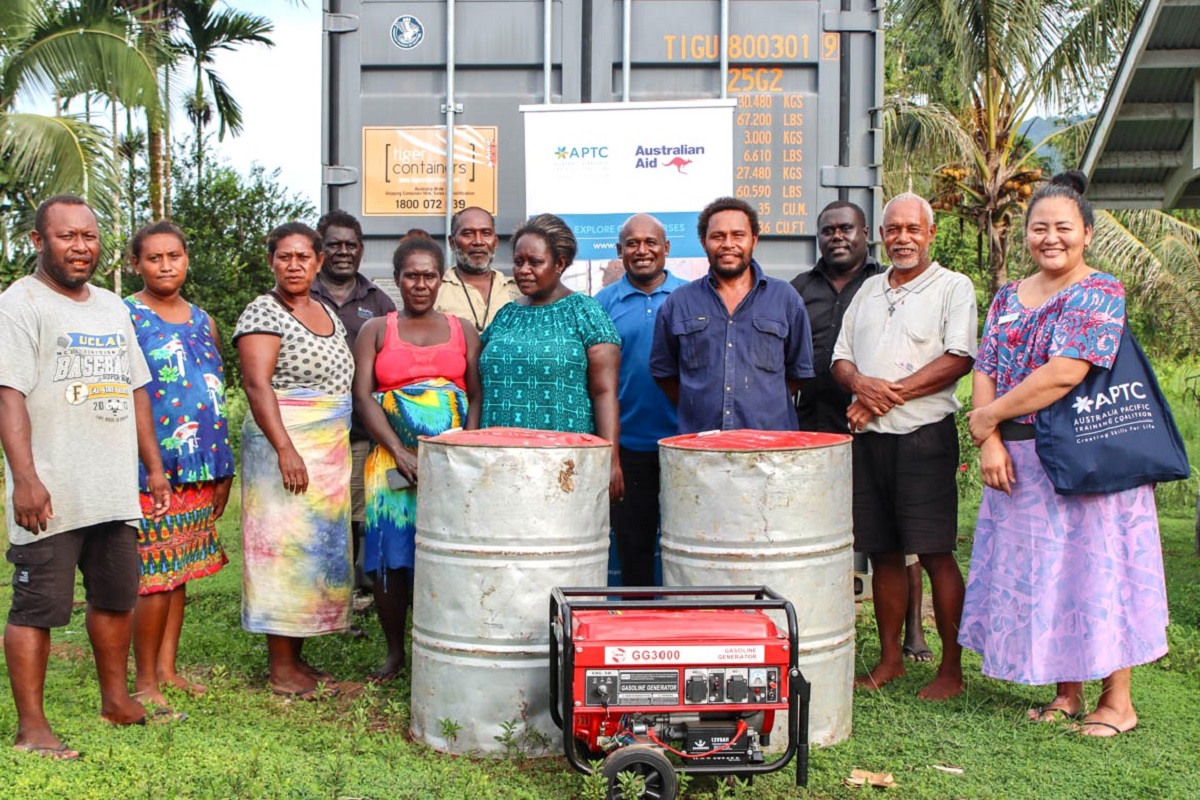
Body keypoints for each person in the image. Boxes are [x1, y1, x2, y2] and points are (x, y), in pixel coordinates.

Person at [959, 171, 1168, 736]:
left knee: (1098, 573)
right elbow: (986, 367)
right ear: (1025, 233)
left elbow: (1066, 372)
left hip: (1088, 458)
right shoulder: (1008, 294)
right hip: (1021, 460)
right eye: (1039, 228)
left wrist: (987, 418)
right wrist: (991, 440)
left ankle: (1118, 702)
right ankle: (1067, 691)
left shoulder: (1100, 291)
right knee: (1052, 576)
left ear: (1087, 234)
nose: (1051, 238)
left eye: (1064, 228)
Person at [0, 195, 172, 760]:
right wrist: (25, 479)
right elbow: (9, 396)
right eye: (67, 236)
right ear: (38, 241)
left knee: (115, 598)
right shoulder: (19, 304)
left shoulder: (110, 306)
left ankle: (115, 699)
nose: (81, 248)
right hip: (51, 489)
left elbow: (136, 388)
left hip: (111, 487)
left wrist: (152, 467)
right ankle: (32, 728)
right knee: (38, 608)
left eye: (90, 237)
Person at [831, 192, 977, 701]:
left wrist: (883, 398)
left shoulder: (953, 288)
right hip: (871, 443)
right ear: (882, 236)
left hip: (924, 440)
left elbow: (959, 358)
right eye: (893, 229)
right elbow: (841, 360)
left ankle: (951, 670)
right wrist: (862, 390)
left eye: (913, 229)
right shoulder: (869, 290)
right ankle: (891, 659)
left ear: (930, 234)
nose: (902, 238)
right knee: (883, 553)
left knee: (935, 553)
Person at [791, 202, 931, 663]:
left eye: (846, 228)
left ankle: (913, 633)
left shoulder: (884, 284)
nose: (837, 237)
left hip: (879, 421)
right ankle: (821, 620)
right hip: (816, 425)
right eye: (827, 229)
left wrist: (875, 400)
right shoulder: (799, 289)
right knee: (821, 531)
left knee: (894, 536)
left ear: (865, 233)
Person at [352, 236, 482, 682]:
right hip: (391, 465)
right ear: (398, 278)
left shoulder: (462, 329)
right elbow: (363, 396)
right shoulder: (376, 330)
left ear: (440, 278)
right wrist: (399, 450)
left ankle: (445, 646)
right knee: (392, 556)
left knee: (448, 553)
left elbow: (477, 396)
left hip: (452, 466)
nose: (420, 284)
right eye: (412, 275)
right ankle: (395, 652)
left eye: (429, 275)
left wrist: (461, 448)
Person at [234, 221, 355, 698]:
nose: (294, 265)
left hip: (325, 454)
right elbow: (257, 385)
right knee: (281, 553)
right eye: (284, 256)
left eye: (303, 257)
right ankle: (281, 668)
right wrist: (286, 447)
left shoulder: (324, 310)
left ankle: (298, 658)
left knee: (312, 553)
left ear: (319, 262)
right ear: (271, 262)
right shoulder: (263, 311)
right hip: (284, 450)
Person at [125, 221, 235, 710]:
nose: (166, 265)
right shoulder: (126, 315)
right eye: (154, 258)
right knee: (153, 576)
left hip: (200, 466)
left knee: (180, 568)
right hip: (154, 468)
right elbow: (131, 396)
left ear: (186, 258)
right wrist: (152, 466)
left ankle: (168, 669)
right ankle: (144, 680)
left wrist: (223, 468)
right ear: (136, 264)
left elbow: (213, 390)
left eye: (174, 256)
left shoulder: (203, 319)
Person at [477, 213, 624, 499]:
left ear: (559, 264)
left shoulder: (586, 312)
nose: (524, 270)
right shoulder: (506, 315)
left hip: (563, 464)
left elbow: (605, 392)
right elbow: (479, 390)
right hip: (498, 463)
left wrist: (610, 460)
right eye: (519, 262)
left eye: (535, 262)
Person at [650, 196, 814, 434]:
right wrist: (700, 406)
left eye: (738, 235)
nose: (728, 244)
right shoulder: (678, 303)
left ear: (754, 240)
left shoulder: (786, 299)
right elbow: (664, 374)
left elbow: (799, 373)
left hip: (771, 448)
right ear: (703, 242)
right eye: (718, 236)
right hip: (701, 449)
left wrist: (762, 403)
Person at [595, 214, 687, 585]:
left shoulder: (690, 296)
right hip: (628, 446)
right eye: (632, 243)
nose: (642, 250)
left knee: (690, 544)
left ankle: (688, 628)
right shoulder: (601, 305)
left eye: (651, 242)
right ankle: (637, 627)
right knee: (633, 546)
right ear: (620, 251)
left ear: (666, 248)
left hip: (684, 444)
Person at [313, 210, 396, 608]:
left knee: (358, 514)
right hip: (313, 431)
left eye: (350, 245)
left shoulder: (378, 300)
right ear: (321, 248)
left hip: (362, 429)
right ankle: (320, 595)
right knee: (320, 515)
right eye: (334, 245)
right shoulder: (302, 292)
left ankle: (351, 593)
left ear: (361, 250)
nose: (343, 252)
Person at [435, 206, 520, 332]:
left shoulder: (518, 290)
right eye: (468, 234)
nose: (478, 242)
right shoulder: (435, 291)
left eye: (486, 234)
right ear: (452, 242)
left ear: (495, 242)